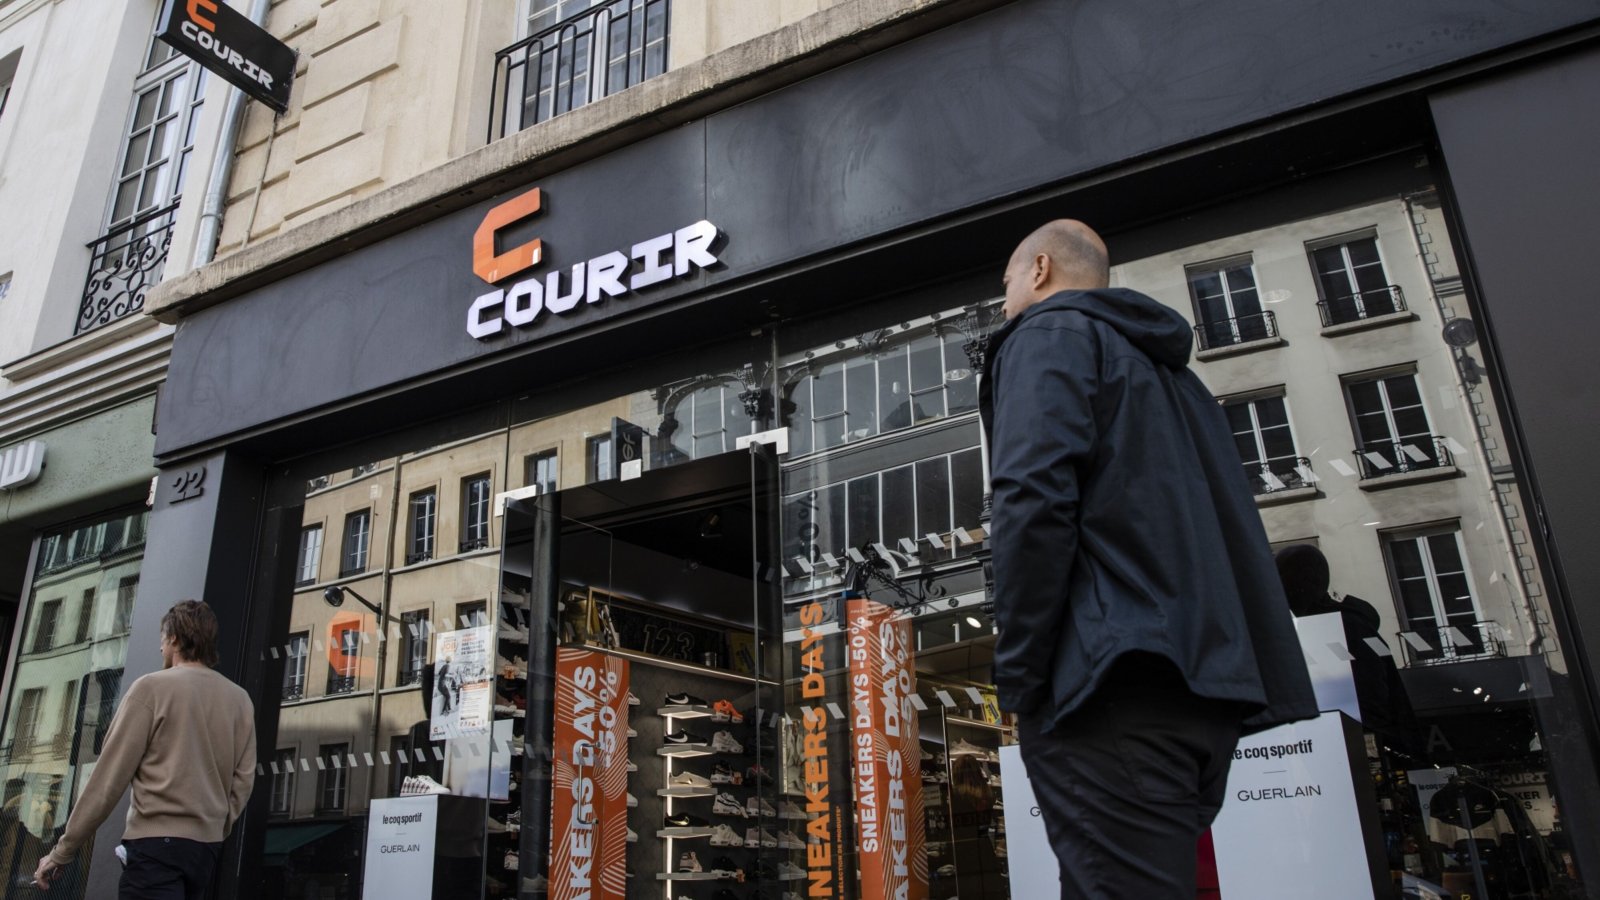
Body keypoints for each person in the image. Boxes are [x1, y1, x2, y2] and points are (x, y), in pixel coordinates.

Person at [980, 220, 1318, 898]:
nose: (1005, 300)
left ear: (1040, 269)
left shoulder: (1048, 334)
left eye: (1007, 282)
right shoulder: (1172, 377)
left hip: (1109, 688)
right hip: (1195, 691)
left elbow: (1032, 499)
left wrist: (1019, 676)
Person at [34, 599, 256, 899]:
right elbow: (243, 781)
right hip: (203, 852)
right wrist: (213, 828)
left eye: (162, 640)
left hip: (155, 849)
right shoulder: (240, 700)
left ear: (174, 638)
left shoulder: (151, 688)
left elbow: (108, 779)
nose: (160, 648)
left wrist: (63, 850)